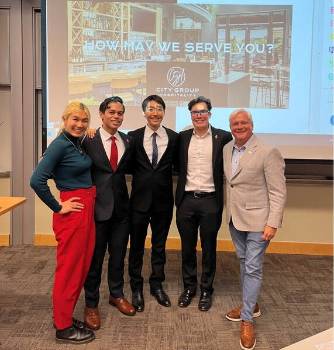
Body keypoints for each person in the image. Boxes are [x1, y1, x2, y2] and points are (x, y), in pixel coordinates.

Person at [30, 101, 96, 344]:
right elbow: (36, 180)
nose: (79, 124)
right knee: (69, 269)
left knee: (81, 266)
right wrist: (59, 206)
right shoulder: (58, 145)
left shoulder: (75, 143)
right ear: (64, 119)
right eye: (75, 119)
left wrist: (89, 133)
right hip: (73, 211)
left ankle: (64, 316)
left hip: (86, 208)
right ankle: (63, 327)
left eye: (84, 120)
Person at [223, 108, 286, 350]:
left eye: (243, 123)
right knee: (244, 262)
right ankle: (252, 304)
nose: (239, 127)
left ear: (251, 124)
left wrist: (273, 222)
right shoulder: (227, 149)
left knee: (252, 266)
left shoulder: (268, 151)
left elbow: (278, 191)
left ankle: (247, 319)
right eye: (234, 123)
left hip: (259, 222)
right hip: (235, 219)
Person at [175, 96, 232, 311]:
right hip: (187, 201)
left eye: (202, 111)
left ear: (210, 113)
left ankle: (207, 289)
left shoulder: (223, 137)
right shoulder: (181, 138)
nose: (199, 115)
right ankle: (189, 287)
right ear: (190, 115)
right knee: (187, 247)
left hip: (210, 201)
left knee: (209, 248)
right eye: (194, 112)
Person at [83, 96, 135, 331]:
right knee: (94, 260)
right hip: (96, 210)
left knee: (117, 257)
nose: (116, 116)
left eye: (120, 113)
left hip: (122, 210)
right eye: (112, 112)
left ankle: (116, 294)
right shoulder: (88, 139)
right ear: (102, 114)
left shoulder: (127, 140)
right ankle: (91, 304)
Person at [128, 95, 178, 312]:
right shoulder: (132, 137)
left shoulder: (175, 138)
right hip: (138, 202)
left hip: (163, 202)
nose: (155, 112)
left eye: (159, 108)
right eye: (151, 109)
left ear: (164, 112)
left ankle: (156, 284)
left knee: (159, 246)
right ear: (144, 113)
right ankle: (136, 287)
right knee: (137, 246)